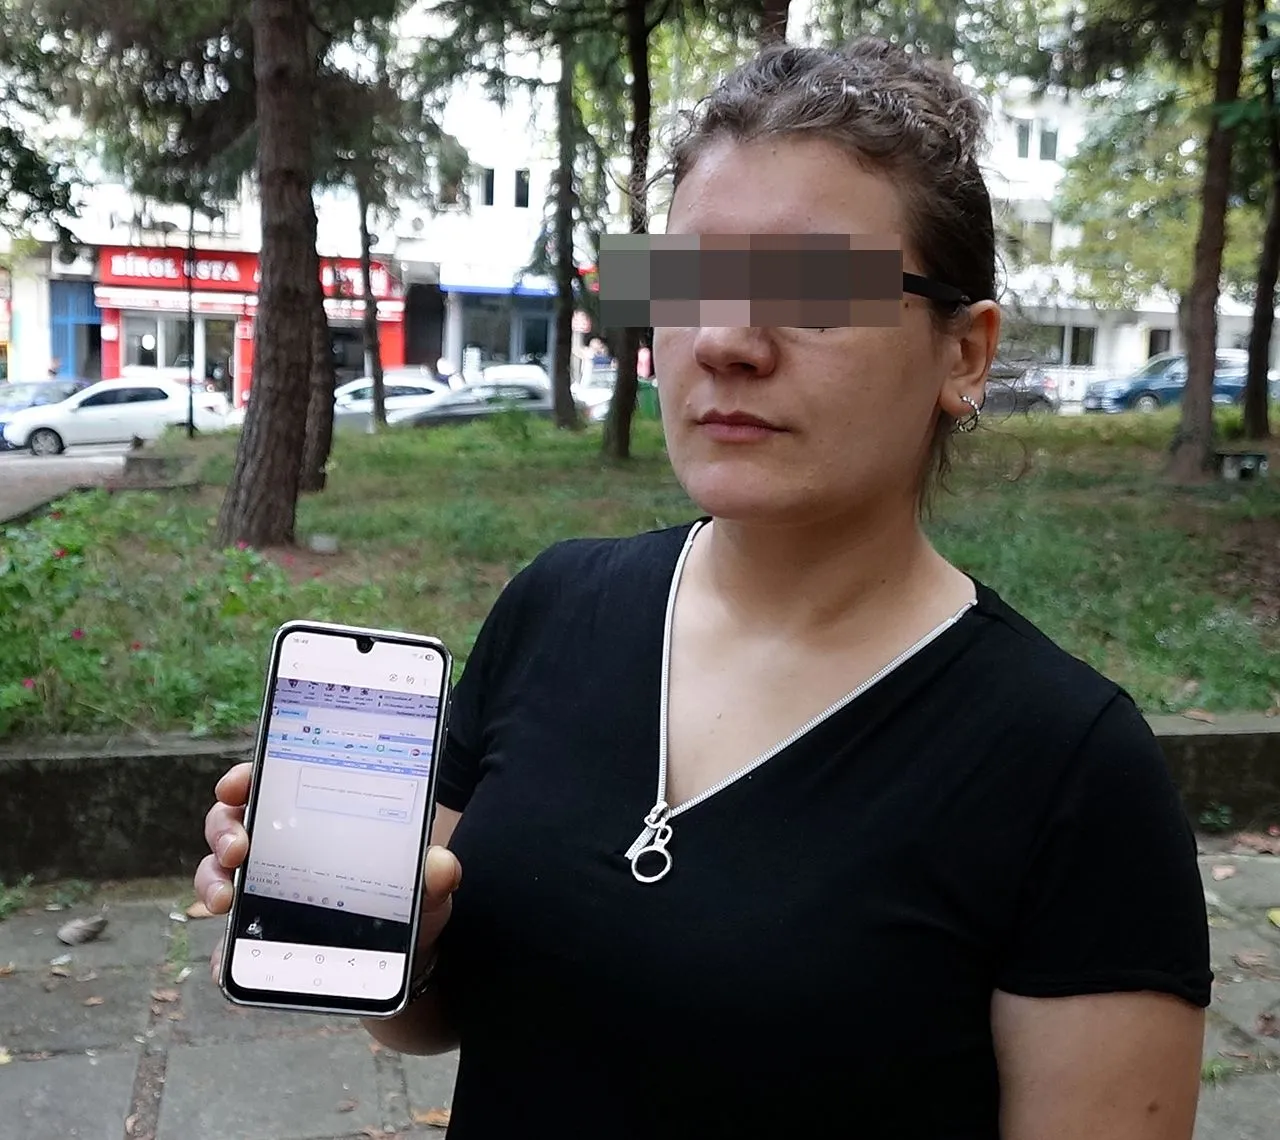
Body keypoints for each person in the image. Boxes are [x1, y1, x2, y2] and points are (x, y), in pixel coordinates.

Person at [196, 38, 1210, 1139]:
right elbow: (433, 1022)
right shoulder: (553, 607)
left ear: (963, 354)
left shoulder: (1069, 768)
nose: (726, 340)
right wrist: (399, 938)